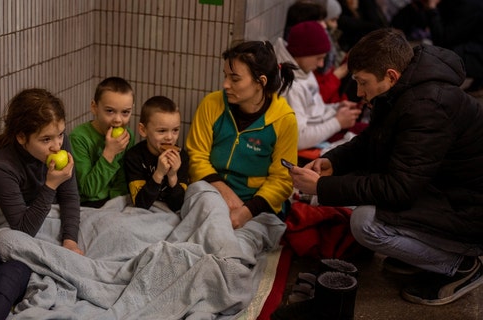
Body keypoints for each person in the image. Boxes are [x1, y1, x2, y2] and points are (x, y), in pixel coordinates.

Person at [289, 28, 483, 305]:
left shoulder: (428, 106)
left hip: (470, 211)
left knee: (365, 222)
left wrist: (322, 187)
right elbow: (373, 139)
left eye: (363, 82)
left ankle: (459, 265)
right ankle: (428, 256)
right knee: (359, 194)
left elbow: (399, 188)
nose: (359, 92)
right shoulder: (407, 87)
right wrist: (334, 160)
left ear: (390, 75)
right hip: (445, 191)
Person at [185, 40, 299, 229]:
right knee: (202, 216)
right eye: (225, 76)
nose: (225, 84)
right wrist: (225, 193)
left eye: (235, 79)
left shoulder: (284, 119)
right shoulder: (212, 104)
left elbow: (282, 180)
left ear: (260, 82)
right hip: (211, 192)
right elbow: (196, 156)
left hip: (257, 206)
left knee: (241, 241)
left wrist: (245, 212)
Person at [0, 88, 83, 255]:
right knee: (9, 244)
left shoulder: (59, 145)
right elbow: (23, 230)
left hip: (47, 211)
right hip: (11, 225)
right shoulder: (0, 165)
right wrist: (51, 185)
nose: (56, 146)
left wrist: (70, 241)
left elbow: (69, 196)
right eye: (46, 139)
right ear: (21, 137)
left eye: (60, 134)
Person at [274, 21, 363, 153]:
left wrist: (336, 107)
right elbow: (298, 139)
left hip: (323, 133)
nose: (321, 64)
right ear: (302, 53)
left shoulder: (304, 70)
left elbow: (314, 111)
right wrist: (338, 122)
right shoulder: (290, 87)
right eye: (318, 58)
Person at [69, 77, 136, 208]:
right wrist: (109, 154)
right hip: (89, 204)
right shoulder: (78, 138)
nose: (118, 119)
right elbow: (88, 191)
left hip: (118, 202)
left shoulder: (128, 136)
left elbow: (124, 179)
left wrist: (118, 204)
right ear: (94, 107)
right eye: (110, 111)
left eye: (125, 112)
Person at [124, 95, 190, 211]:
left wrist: (172, 176)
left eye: (175, 130)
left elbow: (179, 206)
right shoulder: (134, 157)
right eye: (162, 131)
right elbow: (140, 204)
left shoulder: (181, 157)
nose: (170, 138)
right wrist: (159, 173)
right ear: (143, 130)